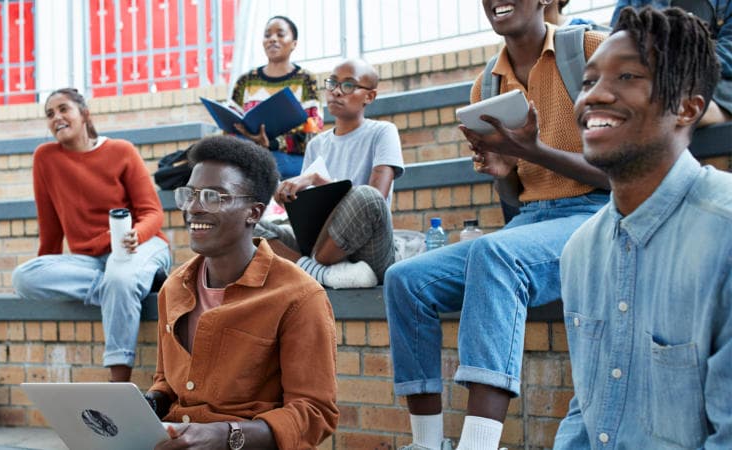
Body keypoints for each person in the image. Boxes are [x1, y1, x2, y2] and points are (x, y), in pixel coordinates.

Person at [384, 1, 611, 449]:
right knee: (404, 280)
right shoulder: (486, 84)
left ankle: (478, 443)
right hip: (531, 221)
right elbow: (515, 202)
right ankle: (428, 443)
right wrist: (504, 170)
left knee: (495, 253)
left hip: (597, 213)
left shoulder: (591, 50)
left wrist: (531, 151)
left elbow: (623, 171)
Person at [554, 6, 732, 448]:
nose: (594, 95)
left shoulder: (725, 234)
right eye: (588, 81)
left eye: (627, 77)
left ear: (688, 107)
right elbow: (586, 411)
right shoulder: (579, 250)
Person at [146, 135, 338, 450]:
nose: (194, 208)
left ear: (254, 212)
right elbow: (167, 381)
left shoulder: (299, 298)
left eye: (213, 196)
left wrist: (225, 436)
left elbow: (314, 413)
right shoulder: (174, 287)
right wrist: (150, 403)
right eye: (191, 194)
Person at [12, 88, 172, 383]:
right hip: (91, 261)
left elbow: (153, 212)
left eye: (63, 109)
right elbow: (50, 228)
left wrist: (137, 234)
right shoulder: (45, 158)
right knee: (23, 277)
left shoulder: (121, 151)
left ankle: (119, 380)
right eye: (49, 114)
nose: (56, 117)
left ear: (84, 113)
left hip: (140, 246)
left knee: (120, 277)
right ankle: (132, 286)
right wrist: (50, 268)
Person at [256, 58, 404, 289]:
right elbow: (310, 207)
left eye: (347, 85)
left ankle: (308, 268)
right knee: (246, 221)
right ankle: (320, 274)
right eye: (332, 83)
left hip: (368, 251)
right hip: (322, 242)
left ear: (369, 96)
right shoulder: (317, 145)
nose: (336, 91)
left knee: (366, 196)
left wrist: (317, 179)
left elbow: (377, 198)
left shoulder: (382, 132)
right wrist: (288, 196)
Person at [610, 0, 732, 126]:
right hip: (646, 75)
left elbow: (728, 53)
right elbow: (616, 41)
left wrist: (674, 66)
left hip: (712, 80)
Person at [230, 15, 323, 179]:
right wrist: (250, 139)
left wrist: (271, 143)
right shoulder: (246, 81)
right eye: (267, 35)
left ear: (294, 43)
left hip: (288, 157)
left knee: (260, 169)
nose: (272, 39)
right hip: (247, 151)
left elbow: (312, 134)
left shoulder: (305, 80)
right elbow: (230, 125)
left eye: (280, 34)